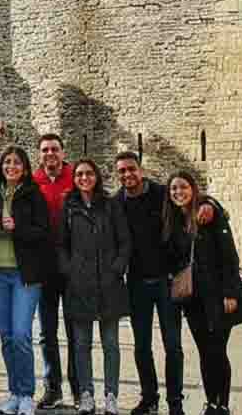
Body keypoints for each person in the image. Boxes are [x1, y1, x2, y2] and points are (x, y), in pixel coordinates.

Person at [162, 171, 242, 415]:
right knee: (205, 351)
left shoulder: (209, 215)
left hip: (218, 296)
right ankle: (211, 402)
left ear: (193, 189)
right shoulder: (174, 220)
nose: (178, 192)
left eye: (183, 187)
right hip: (193, 299)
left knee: (217, 351)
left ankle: (222, 405)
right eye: (174, 189)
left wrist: (230, 293)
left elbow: (228, 256)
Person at [114, 152, 184, 415]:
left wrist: (210, 206)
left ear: (140, 170)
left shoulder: (162, 193)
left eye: (131, 169)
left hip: (166, 281)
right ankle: (149, 398)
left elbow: (188, 201)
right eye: (121, 171)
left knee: (173, 346)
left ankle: (175, 402)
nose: (127, 175)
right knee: (142, 346)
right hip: (137, 283)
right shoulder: (116, 202)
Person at [62, 159, 130, 415]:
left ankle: (111, 394)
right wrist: (69, 270)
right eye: (79, 174)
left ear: (97, 176)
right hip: (79, 284)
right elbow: (61, 244)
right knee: (81, 344)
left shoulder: (111, 206)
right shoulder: (70, 207)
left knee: (111, 344)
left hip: (108, 284)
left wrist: (117, 268)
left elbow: (124, 241)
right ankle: (86, 394)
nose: (84, 178)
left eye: (89, 173)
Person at [0, 146, 51, 415]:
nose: (11, 166)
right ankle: (14, 392)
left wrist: (18, 228)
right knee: (7, 337)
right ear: (1, 166)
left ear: (24, 168)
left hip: (25, 274)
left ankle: (26, 393)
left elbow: (43, 231)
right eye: (7, 162)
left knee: (23, 335)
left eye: (16, 163)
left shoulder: (33, 194)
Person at [33, 135, 77, 410]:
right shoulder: (32, 181)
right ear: (39, 155)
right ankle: (53, 388)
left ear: (63, 152)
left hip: (72, 265)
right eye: (45, 150)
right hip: (43, 266)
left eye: (54, 149)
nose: (50, 154)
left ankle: (78, 386)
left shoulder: (78, 176)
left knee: (76, 331)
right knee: (47, 332)